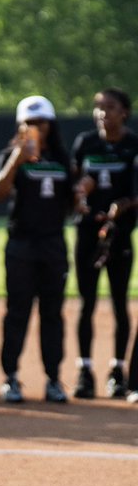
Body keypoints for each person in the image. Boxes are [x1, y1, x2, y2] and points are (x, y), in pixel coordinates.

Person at [0, 96, 72, 403]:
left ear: (51, 125)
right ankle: (10, 376)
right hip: (22, 245)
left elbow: (71, 204)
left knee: (52, 314)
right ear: (20, 126)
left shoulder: (62, 159)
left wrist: (81, 192)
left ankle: (53, 379)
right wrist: (17, 159)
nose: (35, 128)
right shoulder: (11, 155)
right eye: (29, 122)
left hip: (53, 245)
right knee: (17, 312)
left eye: (40, 122)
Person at [70, 87, 138, 399]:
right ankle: (85, 370)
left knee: (120, 303)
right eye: (98, 107)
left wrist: (123, 205)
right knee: (86, 303)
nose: (102, 113)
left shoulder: (132, 146)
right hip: (88, 234)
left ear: (124, 112)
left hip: (119, 235)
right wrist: (79, 195)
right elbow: (72, 186)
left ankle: (117, 370)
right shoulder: (85, 143)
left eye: (109, 107)